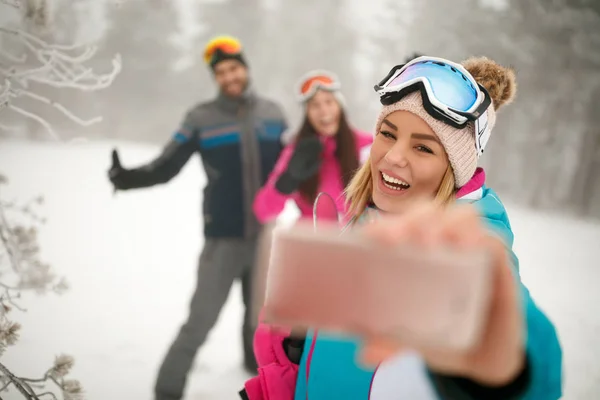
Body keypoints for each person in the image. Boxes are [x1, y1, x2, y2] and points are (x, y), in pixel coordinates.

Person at [241, 56, 563, 399]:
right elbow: (263, 208)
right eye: (388, 134)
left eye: (423, 147)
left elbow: (518, 343)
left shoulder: (461, 248)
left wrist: (506, 373)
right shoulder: (367, 209)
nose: (394, 156)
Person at [107, 35, 288, 400]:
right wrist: (127, 179)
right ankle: (167, 391)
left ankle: (256, 369)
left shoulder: (273, 113)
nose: (229, 76)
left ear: (246, 68)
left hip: (267, 235)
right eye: (221, 72)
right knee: (200, 321)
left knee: (263, 319)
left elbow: (292, 168)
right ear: (215, 77)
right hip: (223, 237)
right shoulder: (201, 118)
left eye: (234, 68)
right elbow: (168, 164)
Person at [253, 70, 373, 225]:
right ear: (307, 113)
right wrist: (287, 181)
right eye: (315, 105)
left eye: (329, 102)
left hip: (357, 242)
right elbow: (263, 211)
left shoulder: (366, 145)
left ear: (340, 106)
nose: (324, 111)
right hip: (313, 243)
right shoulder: (297, 150)